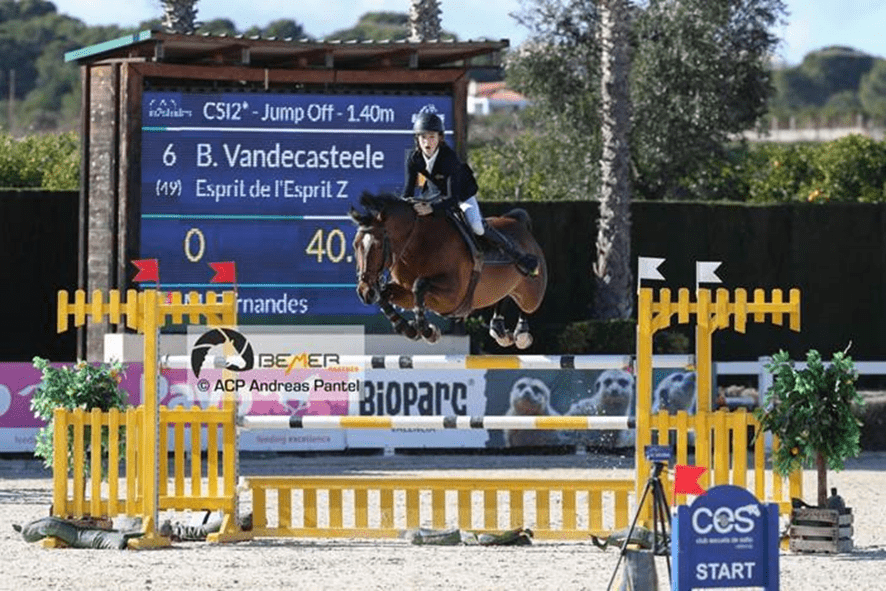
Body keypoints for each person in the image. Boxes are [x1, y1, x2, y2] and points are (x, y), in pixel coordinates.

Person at [401, 111, 539, 276]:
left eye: (432, 137)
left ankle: (519, 255)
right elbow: (408, 191)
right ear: (417, 139)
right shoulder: (413, 158)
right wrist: (404, 207)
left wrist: (431, 208)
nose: (427, 142)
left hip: (461, 195)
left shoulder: (449, 158)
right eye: (423, 137)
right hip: (432, 194)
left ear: (440, 138)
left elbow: (452, 199)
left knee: (477, 227)